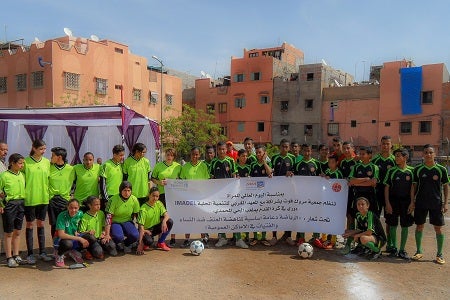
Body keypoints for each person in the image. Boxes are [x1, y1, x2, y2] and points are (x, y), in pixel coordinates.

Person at [411, 144, 449, 264]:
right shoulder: (418, 169)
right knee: (419, 226)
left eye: (430, 152)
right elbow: (414, 187)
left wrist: (445, 203)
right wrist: (412, 202)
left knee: (438, 228)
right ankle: (418, 251)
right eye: (426, 152)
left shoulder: (441, 169)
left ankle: (439, 254)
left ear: (434, 154)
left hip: (436, 203)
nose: (428, 154)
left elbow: (446, 186)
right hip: (421, 202)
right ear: (423, 154)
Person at [23, 139, 52, 264]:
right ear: (34, 148)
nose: (43, 151)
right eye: (41, 149)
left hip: (44, 198)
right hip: (30, 199)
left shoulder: (46, 162)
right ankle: (30, 254)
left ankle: (42, 252)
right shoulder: (25, 162)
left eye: (44, 149)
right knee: (30, 225)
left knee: (41, 224)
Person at [209, 142, 243, 248]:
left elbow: (234, 175)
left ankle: (238, 239)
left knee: (234, 215)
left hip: (231, 194)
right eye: (220, 149)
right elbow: (211, 178)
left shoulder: (231, 161)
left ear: (226, 150)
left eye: (223, 149)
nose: (222, 151)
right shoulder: (214, 162)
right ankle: (222, 238)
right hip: (219, 195)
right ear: (217, 150)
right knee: (221, 216)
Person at [383, 148, 414, 260]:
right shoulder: (391, 171)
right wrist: (387, 203)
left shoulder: (411, 171)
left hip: (406, 203)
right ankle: (394, 248)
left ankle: (402, 249)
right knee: (392, 225)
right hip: (393, 202)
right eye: (395, 156)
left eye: (398, 156)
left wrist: (412, 203)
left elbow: (412, 188)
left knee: (405, 225)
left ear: (405, 157)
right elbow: (386, 187)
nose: (396, 158)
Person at [179, 147, 211, 247]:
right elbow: (181, 182)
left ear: (199, 155)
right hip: (189, 197)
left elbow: (207, 181)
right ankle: (187, 239)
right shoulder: (185, 167)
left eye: (197, 154)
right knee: (188, 218)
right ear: (190, 155)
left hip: (201, 197)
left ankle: (203, 237)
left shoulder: (203, 166)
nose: (195, 156)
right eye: (193, 154)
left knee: (201, 218)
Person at [151, 148, 181, 247]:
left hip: (173, 195)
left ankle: (172, 239)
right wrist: (159, 182)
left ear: (174, 156)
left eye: (171, 155)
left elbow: (182, 179)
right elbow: (152, 178)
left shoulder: (178, 166)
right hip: (161, 195)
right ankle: (160, 239)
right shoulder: (158, 166)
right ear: (165, 155)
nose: (169, 157)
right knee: (161, 217)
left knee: (173, 216)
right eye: (167, 154)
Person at [0, 153, 26, 267]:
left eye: (23, 163)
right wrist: (1, 204)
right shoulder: (4, 176)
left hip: (21, 203)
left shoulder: (22, 175)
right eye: (20, 163)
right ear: (12, 163)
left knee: (18, 231)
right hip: (9, 205)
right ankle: (9, 257)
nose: (22, 165)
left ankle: (16, 255)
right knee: (8, 232)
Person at [294, 143, 321, 247]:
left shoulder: (316, 163)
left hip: (314, 195)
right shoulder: (298, 165)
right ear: (302, 151)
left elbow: (321, 177)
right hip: (302, 195)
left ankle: (316, 237)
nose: (307, 153)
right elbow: (294, 179)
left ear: (311, 151)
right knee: (302, 216)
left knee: (315, 216)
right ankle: (301, 237)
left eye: (309, 151)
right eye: (305, 151)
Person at [372, 136, 396, 252]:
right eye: (383, 144)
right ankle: (377, 241)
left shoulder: (395, 160)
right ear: (380, 145)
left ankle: (390, 243)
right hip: (377, 192)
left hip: (390, 193)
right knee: (375, 218)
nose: (385, 146)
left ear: (391, 145)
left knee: (389, 219)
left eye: (387, 144)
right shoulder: (375, 160)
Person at [270, 139, 296, 246]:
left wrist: (292, 172)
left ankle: (288, 236)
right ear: (279, 147)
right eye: (283, 146)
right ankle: (274, 236)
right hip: (276, 189)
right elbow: (271, 170)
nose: (284, 149)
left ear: (289, 148)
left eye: (286, 147)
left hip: (289, 190)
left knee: (288, 212)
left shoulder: (292, 158)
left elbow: (295, 172)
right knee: (275, 212)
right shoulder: (275, 158)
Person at [104, 181, 140, 253]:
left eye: (129, 191)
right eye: (124, 190)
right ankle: (115, 244)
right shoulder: (113, 199)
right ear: (120, 190)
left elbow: (138, 216)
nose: (127, 193)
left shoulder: (134, 199)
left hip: (127, 221)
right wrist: (107, 234)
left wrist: (142, 230)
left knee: (135, 235)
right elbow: (108, 217)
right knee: (118, 237)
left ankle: (126, 244)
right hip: (115, 222)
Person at [136, 187, 173, 254]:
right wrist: (140, 244)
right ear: (149, 195)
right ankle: (142, 242)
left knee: (169, 222)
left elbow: (167, 215)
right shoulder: (143, 209)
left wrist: (164, 222)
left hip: (155, 228)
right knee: (149, 242)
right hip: (146, 230)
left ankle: (161, 242)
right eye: (153, 195)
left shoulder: (159, 203)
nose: (155, 198)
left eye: (157, 196)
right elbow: (140, 227)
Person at [48, 147, 75, 241]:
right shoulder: (49, 168)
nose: (51, 157)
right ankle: (55, 247)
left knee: (66, 223)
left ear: (59, 157)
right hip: (52, 200)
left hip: (64, 200)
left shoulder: (71, 169)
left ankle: (66, 246)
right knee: (54, 224)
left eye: (52, 156)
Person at [249, 144, 272, 246]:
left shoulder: (268, 163)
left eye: (260, 152)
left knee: (264, 217)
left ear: (264, 153)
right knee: (254, 216)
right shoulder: (253, 164)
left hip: (265, 195)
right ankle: (255, 237)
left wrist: (264, 162)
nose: (258, 154)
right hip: (254, 196)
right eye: (257, 152)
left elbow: (270, 172)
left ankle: (263, 237)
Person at [54, 199, 87, 267]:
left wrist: (86, 232)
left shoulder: (80, 214)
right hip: (61, 240)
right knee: (68, 244)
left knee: (89, 237)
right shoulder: (62, 216)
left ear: (79, 207)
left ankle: (73, 251)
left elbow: (80, 226)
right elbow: (61, 235)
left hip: (73, 237)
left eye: (76, 208)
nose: (73, 210)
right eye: (71, 208)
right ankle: (59, 254)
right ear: (67, 207)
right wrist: (79, 238)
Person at [322, 154, 344, 248]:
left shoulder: (339, 173)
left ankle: (333, 241)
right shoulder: (326, 171)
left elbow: (339, 186)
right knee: (324, 219)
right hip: (326, 200)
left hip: (335, 201)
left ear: (337, 163)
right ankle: (323, 239)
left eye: (332, 162)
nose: (330, 164)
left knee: (333, 220)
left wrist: (329, 180)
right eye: (329, 162)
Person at [100, 145, 125, 211]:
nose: (122, 157)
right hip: (109, 197)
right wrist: (106, 199)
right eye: (121, 155)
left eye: (123, 155)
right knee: (108, 219)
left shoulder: (121, 165)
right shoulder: (106, 165)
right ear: (114, 155)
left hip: (119, 196)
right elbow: (102, 184)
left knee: (116, 218)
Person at [0, 140, 8, 255]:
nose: (5, 152)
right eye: (2, 149)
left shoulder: (2, 163)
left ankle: (2, 248)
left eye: (6, 149)